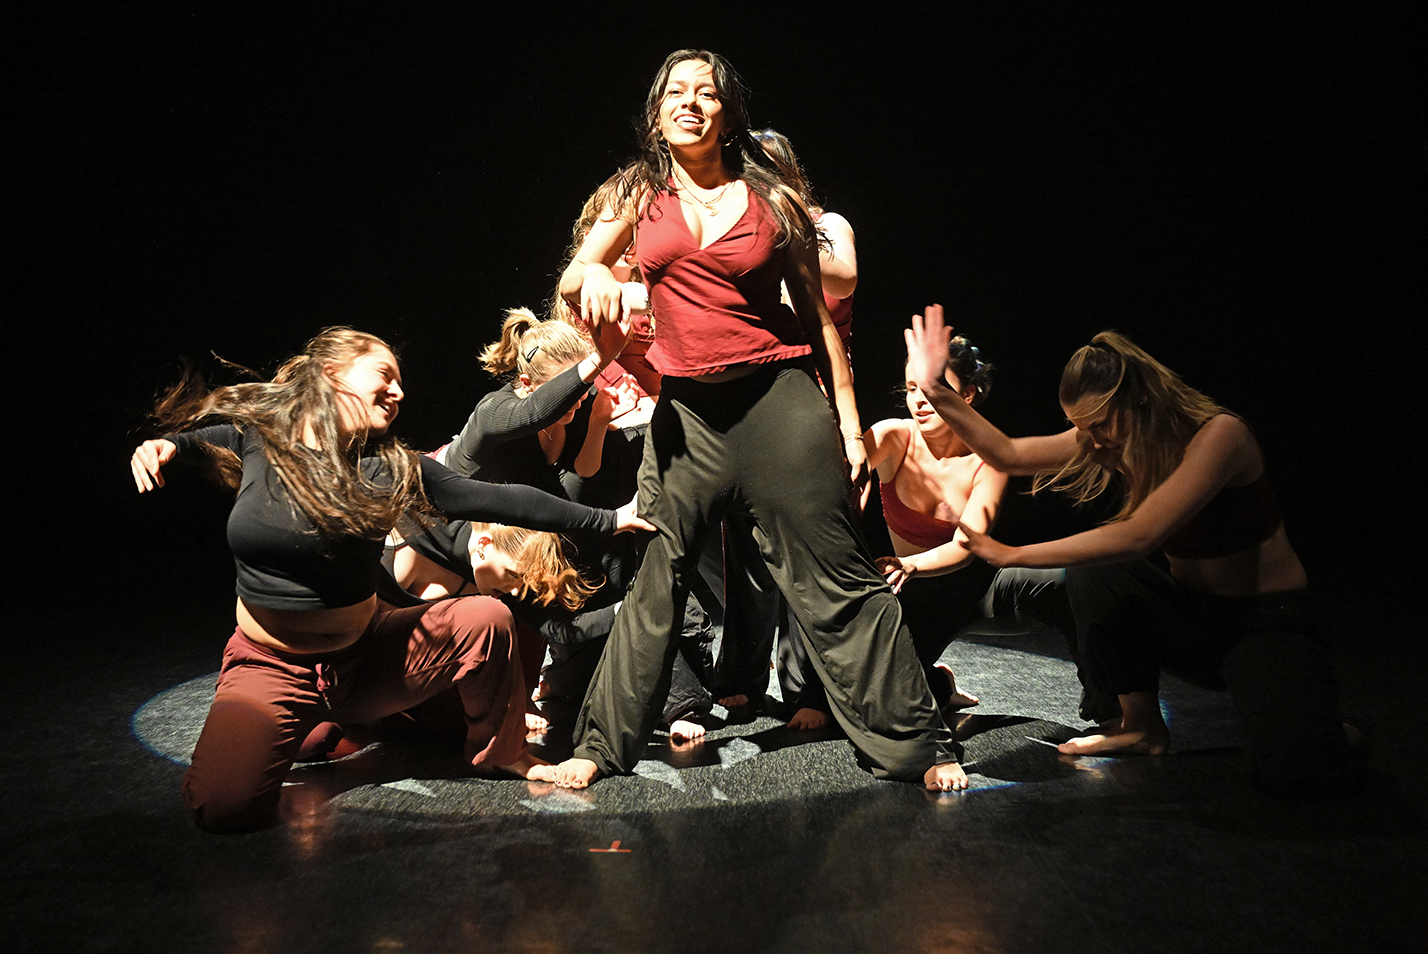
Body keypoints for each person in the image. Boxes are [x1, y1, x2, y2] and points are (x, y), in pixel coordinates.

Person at [552, 49, 966, 792]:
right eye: (675, 93)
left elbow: (819, 319)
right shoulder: (634, 194)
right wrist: (591, 281)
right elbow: (575, 273)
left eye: (705, 94)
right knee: (651, 577)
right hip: (687, 419)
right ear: (656, 114)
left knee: (838, 578)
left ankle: (921, 746)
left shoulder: (770, 198)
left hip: (779, 402)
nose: (690, 103)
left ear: (726, 112)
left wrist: (845, 422)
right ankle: (597, 749)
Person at [131, 327, 650, 832]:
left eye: (400, 381)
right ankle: (334, 723)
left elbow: (507, 500)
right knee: (221, 807)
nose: (400, 391)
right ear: (333, 374)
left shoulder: (392, 469)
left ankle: (498, 751)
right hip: (274, 664)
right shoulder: (265, 436)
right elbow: (214, 436)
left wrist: (610, 519)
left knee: (488, 617)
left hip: (367, 656)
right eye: (385, 375)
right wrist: (170, 446)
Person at [906, 304, 1352, 793]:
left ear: (1139, 400)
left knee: (1296, 773)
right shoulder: (1108, 438)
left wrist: (1013, 555)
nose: (1092, 442)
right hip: (1190, 620)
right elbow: (1009, 454)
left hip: (1265, 622)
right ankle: (1140, 726)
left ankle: (1317, 730)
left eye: (1099, 425)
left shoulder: (1220, 436)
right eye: (1082, 428)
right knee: (1101, 573)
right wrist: (935, 390)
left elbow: (1141, 534)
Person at [865, 335, 1071, 712]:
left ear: (969, 394)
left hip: (980, 589)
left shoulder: (987, 459)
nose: (920, 400)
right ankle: (941, 686)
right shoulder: (893, 437)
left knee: (1071, 585)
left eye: (934, 388)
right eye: (912, 388)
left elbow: (965, 547)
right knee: (878, 696)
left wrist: (909, 564)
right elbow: (844, 472)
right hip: (917, 597)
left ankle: (1111, 708)